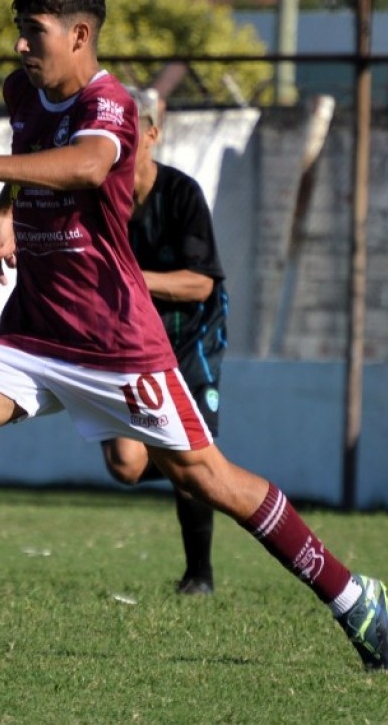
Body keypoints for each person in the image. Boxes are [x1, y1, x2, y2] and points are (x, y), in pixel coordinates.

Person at [0, 0, 388, 673]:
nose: (20, 46)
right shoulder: (22, 92)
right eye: (19, 30)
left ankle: (352, 596)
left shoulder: (112, 105)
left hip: (115, 344)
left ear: (80, 34)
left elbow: (86, 166)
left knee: (210, 480)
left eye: (34, 32)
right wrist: (6, 210)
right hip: (33, 332)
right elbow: (29, 158)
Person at [100, 88, 226, 595]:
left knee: (190, 458)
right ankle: (199, 467)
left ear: (151, 135)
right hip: (130, 341)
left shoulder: (182, 195)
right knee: (125, 465)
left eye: (129, 132)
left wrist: (132, 279)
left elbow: (200, 284)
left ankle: (200, 575)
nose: (117, 142)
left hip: (191, 340)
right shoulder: (98, 195)